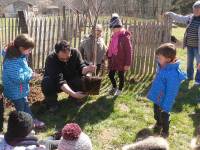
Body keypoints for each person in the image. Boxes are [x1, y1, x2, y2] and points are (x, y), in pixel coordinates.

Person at [2, 34, 45, 129]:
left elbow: (24, 68)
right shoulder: (12, 61)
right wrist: (30, 74)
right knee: (21, 110)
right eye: (29, 50)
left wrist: (29, 71)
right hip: (15, 91)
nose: (30, 52)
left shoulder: (19, 56)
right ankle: (22, 126)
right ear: (21, 48)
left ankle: (30, 120)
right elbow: (18, 78)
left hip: (20, 90)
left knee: (25, 105)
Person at [42, 40, 96, 112]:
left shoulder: (75, 53)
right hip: (56, 84)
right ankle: (52, 103)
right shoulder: (51, 59)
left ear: (70, 51)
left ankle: (74, 98)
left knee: (83, 78)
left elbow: (81, 67)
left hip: (71, 79)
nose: (65, 61)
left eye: (68, 58)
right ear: (56, 53)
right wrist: (74, 94)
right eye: (62, 59)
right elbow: (59, 81)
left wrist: (88, 69)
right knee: (46, 81)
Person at [147, 43, 186, 138]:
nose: (157, 60)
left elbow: (171, 92)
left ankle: (165, 131)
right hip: (158, 96)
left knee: (164, 115)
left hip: (165, 100)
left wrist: (166, 105)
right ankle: (158, 123)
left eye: (159, 58)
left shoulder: (173, 74)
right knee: (156, 112)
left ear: (168, 60)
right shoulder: (163, 66)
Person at [165, 1, 200, 85]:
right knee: (189, 63)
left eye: (197, 10)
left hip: (198, 47)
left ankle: (198, 80)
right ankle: (189, 77)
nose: (195, 11)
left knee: (199, 63)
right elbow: (180, 18)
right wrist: (170, 14)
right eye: (194, 9)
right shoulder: (190, 18)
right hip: (190, 46)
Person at [107, 13, 133, 96]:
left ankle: (119, 90)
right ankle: (114, 86)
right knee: (111, 75)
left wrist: (127, 64)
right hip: (114, 60)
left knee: (120, 76)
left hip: (122, 61)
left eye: (113, 28)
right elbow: (110, 48)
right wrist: (108, 55)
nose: (112, 30)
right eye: (111, 28)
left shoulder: (125, 37)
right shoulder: (113, 36)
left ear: (118, 27)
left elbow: (129, 51)